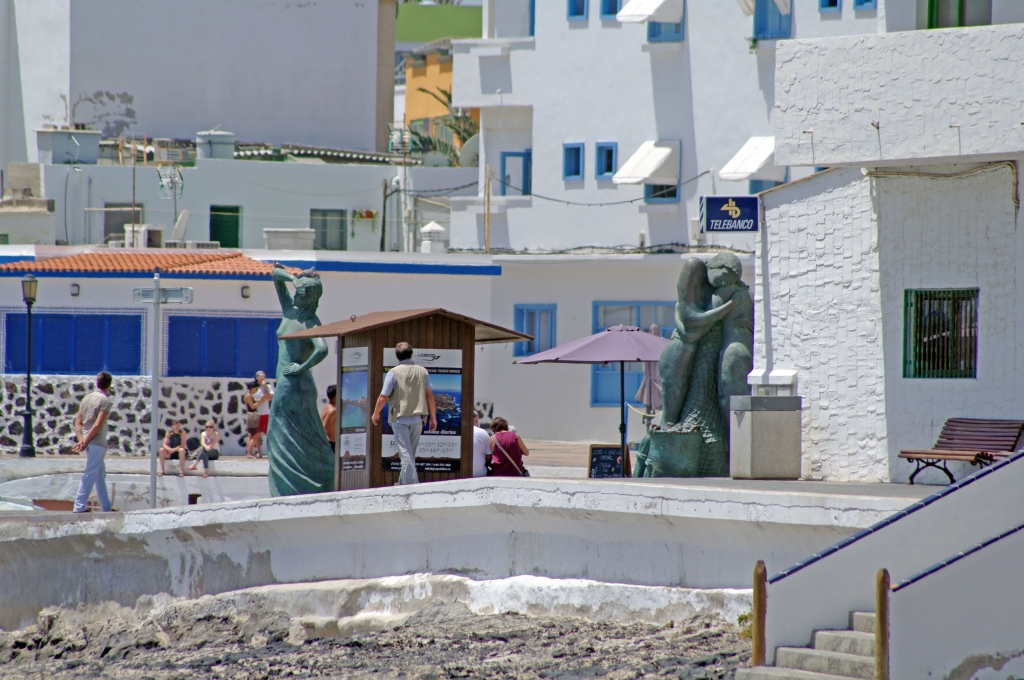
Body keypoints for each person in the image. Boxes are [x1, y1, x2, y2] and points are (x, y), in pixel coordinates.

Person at [266, 265, 335, 496]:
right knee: (306, 436)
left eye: (301, 292)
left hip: (291, 383)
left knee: (280, 435)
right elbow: (275, 274)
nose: (295, 294)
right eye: (296, 290)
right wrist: (293, 278)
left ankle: (290, 491)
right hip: (294, 382)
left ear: (310, 298)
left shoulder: (310, 321)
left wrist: (301, 368)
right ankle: (321, 477)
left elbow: (322, 349)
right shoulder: (290, 310)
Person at [371, 342, 437, 485]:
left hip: (399, 418)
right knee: (409, 455)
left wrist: (376, 413)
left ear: (397, 357)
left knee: (405, 455)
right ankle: (402, 483)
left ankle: (410, 487)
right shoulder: (423, 372)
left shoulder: (393, 373)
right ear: (411, 354)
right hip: (418, 419)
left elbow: (383, 396)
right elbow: (429, 396)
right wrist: (433, 417)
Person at [71, 371, 114, 513]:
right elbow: (98, 424)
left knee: (99, 475)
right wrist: (85, 441)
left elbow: (78, 422)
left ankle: (106, 507)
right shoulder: (105, 401)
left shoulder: (86, 398)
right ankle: (79, 505)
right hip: (97, 442)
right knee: (90, 473)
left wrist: (82, 441)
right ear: (109, 385)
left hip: (87, 441)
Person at [244, 380, 263, 459]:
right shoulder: (248, 395)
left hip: (250, 415)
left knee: (250, 435)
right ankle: (249, 452)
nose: (256, 389)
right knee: (255, 434)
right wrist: (260, 402)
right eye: (255, 388)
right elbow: (252, 406)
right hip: (252, 415)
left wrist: (258, 400)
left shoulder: (248, 395)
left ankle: (249, 452)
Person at [255, 370, 274, 438]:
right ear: (257, 377)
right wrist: (261, 399)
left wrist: (265, 387)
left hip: (266, 413)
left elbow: (270, 398)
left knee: (268, 433)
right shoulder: (254, 387)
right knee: (255, 435)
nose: (263, 378)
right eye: (261, 376)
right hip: (256, 414)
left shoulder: (268, 386)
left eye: (264, 376)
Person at [472, 413, 492, 478]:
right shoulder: (483, 432)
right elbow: (489, 455)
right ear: (475, 420)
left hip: (458, 473)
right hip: (480, 473)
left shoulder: (457, 431)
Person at [321, 384, 338, 452]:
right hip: (331, 445)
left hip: (330, 444)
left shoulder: (325, 408)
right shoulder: (333, 410)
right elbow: (324, 430)